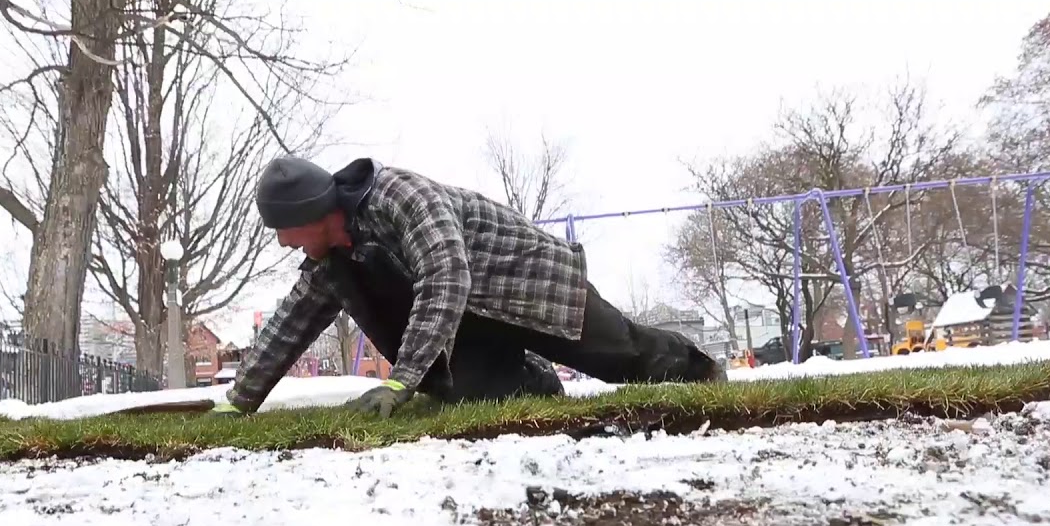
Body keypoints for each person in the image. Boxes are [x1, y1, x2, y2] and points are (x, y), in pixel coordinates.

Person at [212, 156, 725, 419]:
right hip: (468, 319)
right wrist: (239, 399)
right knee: (474, 396)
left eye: (284, 229)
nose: (282, 242)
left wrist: (400, 380)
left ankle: (704, 374)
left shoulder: (401, 196)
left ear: (312, 214)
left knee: (623, 355)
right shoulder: (333, 258)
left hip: (530, 285)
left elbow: (445, 272)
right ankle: (534, 380)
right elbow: (293, 319)